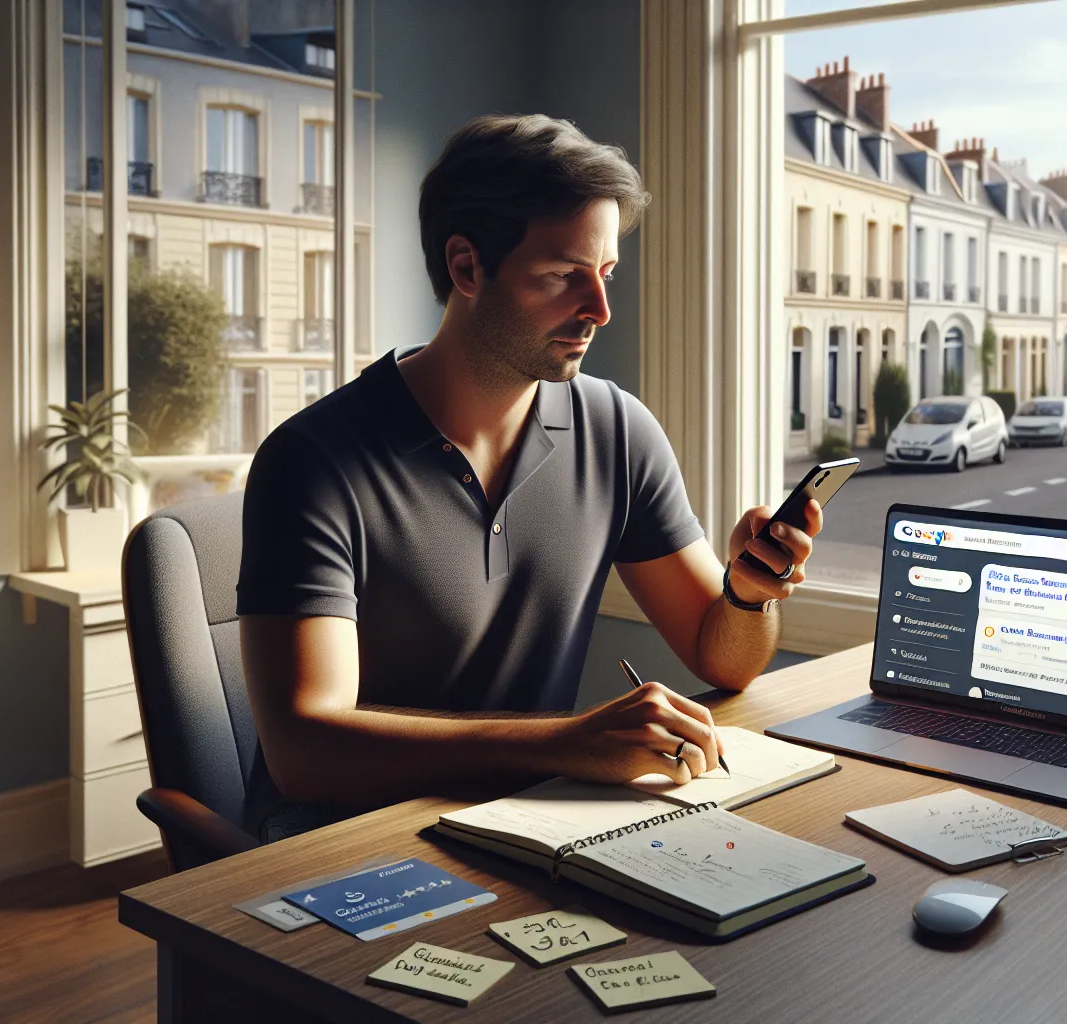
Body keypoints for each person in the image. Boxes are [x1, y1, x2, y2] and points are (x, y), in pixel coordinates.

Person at [236, 114, 824, 840]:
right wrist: (565, 745)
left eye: (605, 274)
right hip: (338, 847)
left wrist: (747, 594)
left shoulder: (617, 430)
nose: (599, 311)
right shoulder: (313, 462)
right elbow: (303, 752)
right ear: (466, 268)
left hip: (517, 826)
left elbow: (720, 657)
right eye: (562, 277)